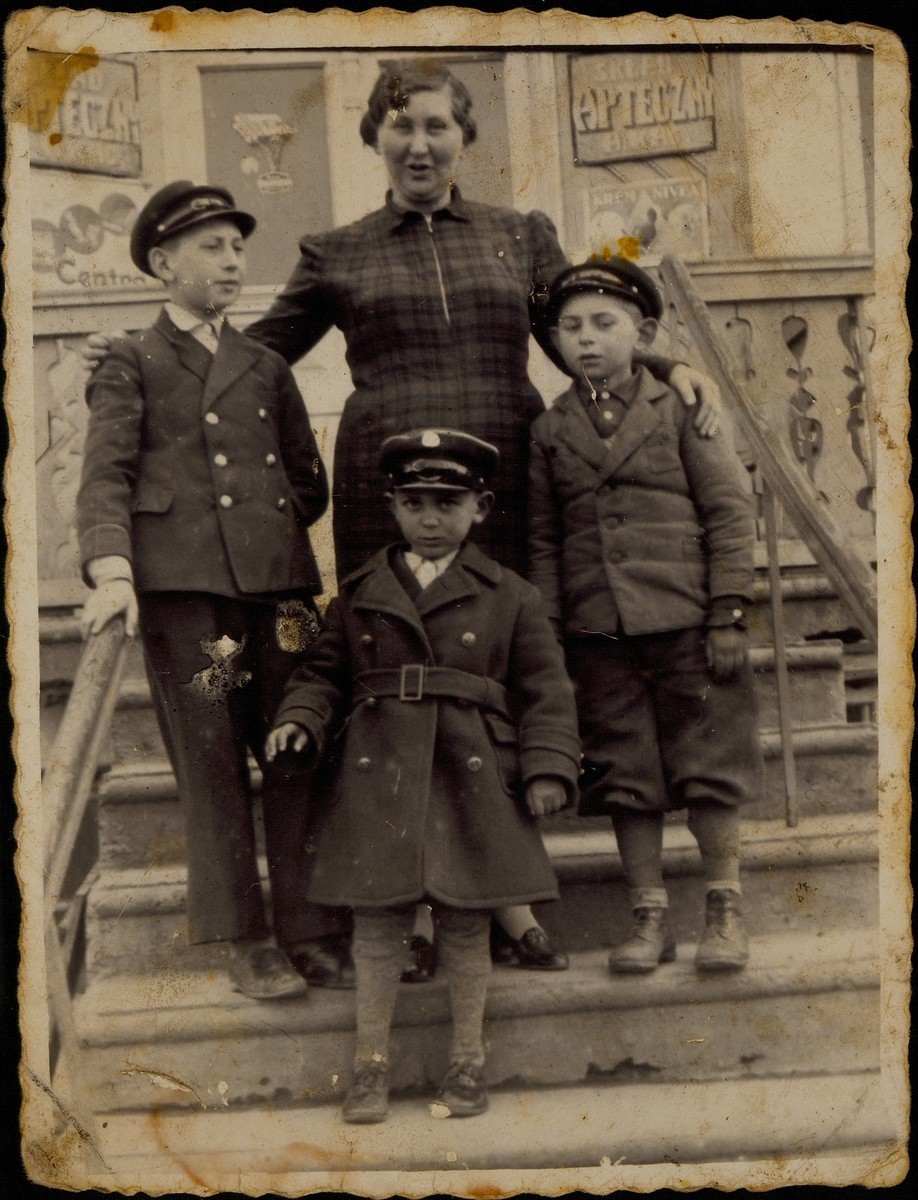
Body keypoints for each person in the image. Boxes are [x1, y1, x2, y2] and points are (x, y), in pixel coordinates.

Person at [82, 56, 722, 973]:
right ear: (375, 138)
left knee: (494, 670)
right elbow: (247, 358)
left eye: (436, 126)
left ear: (464, 137)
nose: (418, 143)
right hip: (388, 486)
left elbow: (584, 329)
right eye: (400, 126)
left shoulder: (518, 235)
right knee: (396, 684)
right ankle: (411, 896)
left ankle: (503, 896)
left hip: (505, 471)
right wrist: (141, 345)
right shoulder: (336, 250)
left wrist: (667, 367)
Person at [76, 180, 350, 1001]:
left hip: (282, 602)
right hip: (193, 604)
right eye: (211, 247)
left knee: (298, 748)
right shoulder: (130, 358)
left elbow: (307, 479)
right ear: (163, 262)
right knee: (213, 759)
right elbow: (106, 475)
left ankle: (310, 926)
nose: (231, 260)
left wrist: (265, 538)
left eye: (237, 247)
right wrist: (113, 568)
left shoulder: (265, 363)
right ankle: (248, 937)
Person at [265, 429, 581, 1122]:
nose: (430, 518)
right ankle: (369, 1068)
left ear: (482, 508)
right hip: (382, 781)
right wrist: (302, 718)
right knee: (377, 929)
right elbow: (323, 674)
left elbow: (548, 691)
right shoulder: (358, 595)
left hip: (471, 776)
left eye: (448, 502)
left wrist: (548, 766)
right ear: (392, 506)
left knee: (467, 927)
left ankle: (467, 1065)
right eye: (413, 502)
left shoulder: (512, 596)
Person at [528, 259, 763, 975]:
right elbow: (543, 540)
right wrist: (554, 635)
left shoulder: (682, 406)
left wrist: (726, 611)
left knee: (709, 765)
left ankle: (724, 907)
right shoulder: (550, 430)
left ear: (645, 331)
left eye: (605, 324)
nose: (588, 341)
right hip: (599, 632)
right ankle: (648, 915)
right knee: (626, 773)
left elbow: (728, 511)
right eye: (571, 329)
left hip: (689, 622)